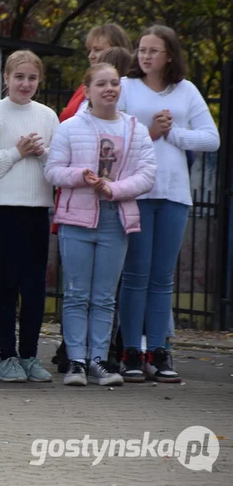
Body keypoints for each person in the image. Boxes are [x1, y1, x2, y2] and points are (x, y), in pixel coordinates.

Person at [117, 25, 219, 383]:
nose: (145, 56)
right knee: (136, 275)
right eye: (141, 49)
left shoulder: (186, 91)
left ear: (170, 55)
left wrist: (173, 133)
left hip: (175, 194)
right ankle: (131, 351)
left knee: (162, 277)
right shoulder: (126, 88)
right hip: (137, 193)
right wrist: (151, 133)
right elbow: (113, 138)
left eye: (153, 50)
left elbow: (211, 139)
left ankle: (159, 351)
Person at [46, 63, 156, 387]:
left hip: (114, 218)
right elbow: (52, 171)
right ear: (88, 90)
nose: (109, 89)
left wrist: (114, 189)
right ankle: (76, 361)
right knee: (77, 293)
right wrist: (79, 176)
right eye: (101, 84)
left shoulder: (136, 129)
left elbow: (147, 174)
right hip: (76, 218)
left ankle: (99, 359)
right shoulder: (70, 128)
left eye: (114, 84)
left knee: (105, 296)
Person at [0, 50, 59, 383]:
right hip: (1, 208)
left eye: (32, 78)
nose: (25, 84)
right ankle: (7, 356)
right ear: (6, 79)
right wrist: (15, 153)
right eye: (18, 77)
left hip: (37, 207)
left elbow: (58, 167)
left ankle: (30, 355)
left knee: (35, 284)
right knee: (7, 281)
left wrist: (42, 154)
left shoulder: (48, 117)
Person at [60, 24, 132, 122]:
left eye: (97, 50)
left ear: (117, 50)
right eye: (90, 51)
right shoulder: (84, 86)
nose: (91, 56)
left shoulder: (129, 87)